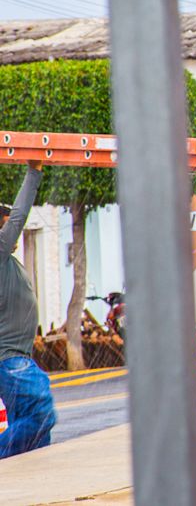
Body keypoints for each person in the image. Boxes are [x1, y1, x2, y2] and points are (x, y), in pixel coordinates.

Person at [0, 162, 56, 459]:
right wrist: (34, 172)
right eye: (5, 222)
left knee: (33, 432)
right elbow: (20, 215)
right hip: (9, 359)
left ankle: (28, 472)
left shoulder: (6, 260)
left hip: (16, 357)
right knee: (41, 414)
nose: (11, 227)